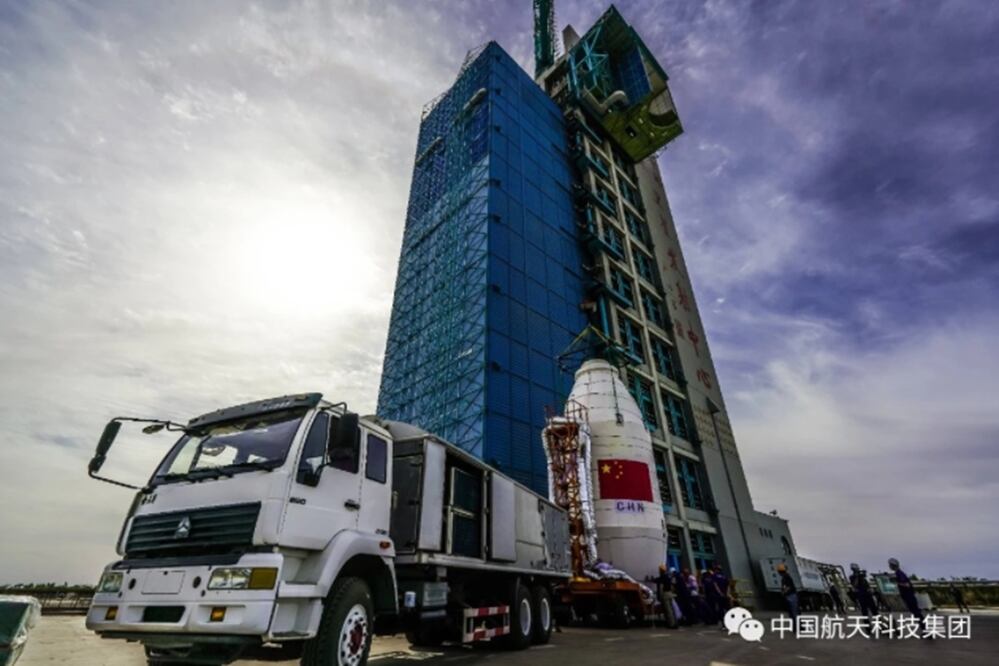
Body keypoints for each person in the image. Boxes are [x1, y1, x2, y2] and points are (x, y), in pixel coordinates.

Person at [889, 558, 928, 637]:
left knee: (917, 614)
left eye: (890, 565)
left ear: (893, 566)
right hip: (908, 596)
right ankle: (925, 630)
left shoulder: (899, 573)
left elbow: (907, 585)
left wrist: (897, 583)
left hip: (909, 596)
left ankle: (926, 631)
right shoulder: (898, 573)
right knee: (917, 614)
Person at [655, 564, 678, 628]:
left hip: (665, 594)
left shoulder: (663, 577)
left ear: (661, 570)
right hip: (670, 594)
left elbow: (659, 582)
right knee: (672, 609)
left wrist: (659, 596)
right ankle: (675, 623)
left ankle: (671, 624)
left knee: (668, 610)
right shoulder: (667, 576)